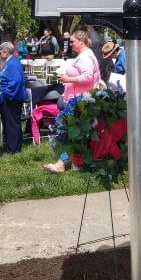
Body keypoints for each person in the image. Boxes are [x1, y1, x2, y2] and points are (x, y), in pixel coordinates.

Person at [43, 29, 101, 173]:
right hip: (78, 101)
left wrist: (68, 79)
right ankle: (77, 164)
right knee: (75, 135)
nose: (70, 44)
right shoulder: (83, 55)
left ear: (81, 41)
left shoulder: (86, 57)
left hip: (81, 102)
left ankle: (62, 164)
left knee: (70, 133)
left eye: (73, 41)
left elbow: (87, 77)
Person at [0, 42, 28, 153]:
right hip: (10, 97)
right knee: (11, 122)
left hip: (12, 98)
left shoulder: (12, 63)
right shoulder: (10, 62)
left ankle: (13, 148)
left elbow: (16, 81)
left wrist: (7, 94)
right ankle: (12, 146)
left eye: (0, 51)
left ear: (5, 52)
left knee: (12, 123)